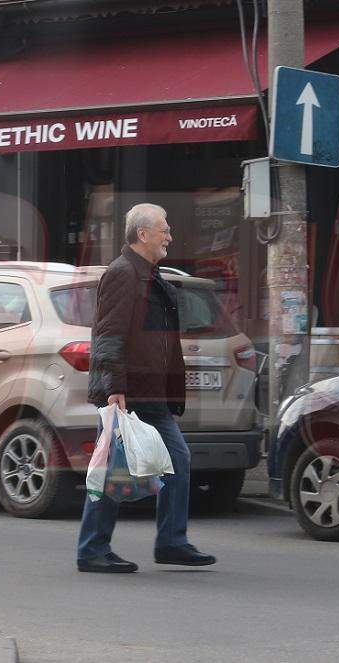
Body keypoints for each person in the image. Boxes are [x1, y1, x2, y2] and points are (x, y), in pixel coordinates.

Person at [76, 203, 216, 573]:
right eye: (164, 230)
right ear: (143, 234)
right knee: (113, 468)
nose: (170, 236)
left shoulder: (150, 276)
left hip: (152, 392)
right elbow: (109, 333)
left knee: (175, 460)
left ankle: (171, 541)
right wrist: (114, 387)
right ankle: (92, 549)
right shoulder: (123, 274)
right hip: (128, 391)